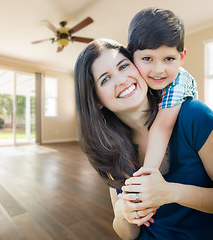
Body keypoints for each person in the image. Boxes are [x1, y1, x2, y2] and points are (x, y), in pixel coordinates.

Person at [74, 38, 213, 240]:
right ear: (96, 100)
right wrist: (123, 214)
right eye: (105, 79)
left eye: (124, 66)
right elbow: (128, 234)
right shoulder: (110, 148)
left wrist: (171, 192)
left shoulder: (194, 115)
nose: (122, 80)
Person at [128, 7, 198, 171]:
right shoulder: (135, 80)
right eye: (147, 58)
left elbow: (162, 127)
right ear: (131, 56)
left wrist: (148, 173)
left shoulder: (179, 81)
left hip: (186, 149)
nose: (158, 69)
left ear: (182, 57)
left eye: (168, 58)